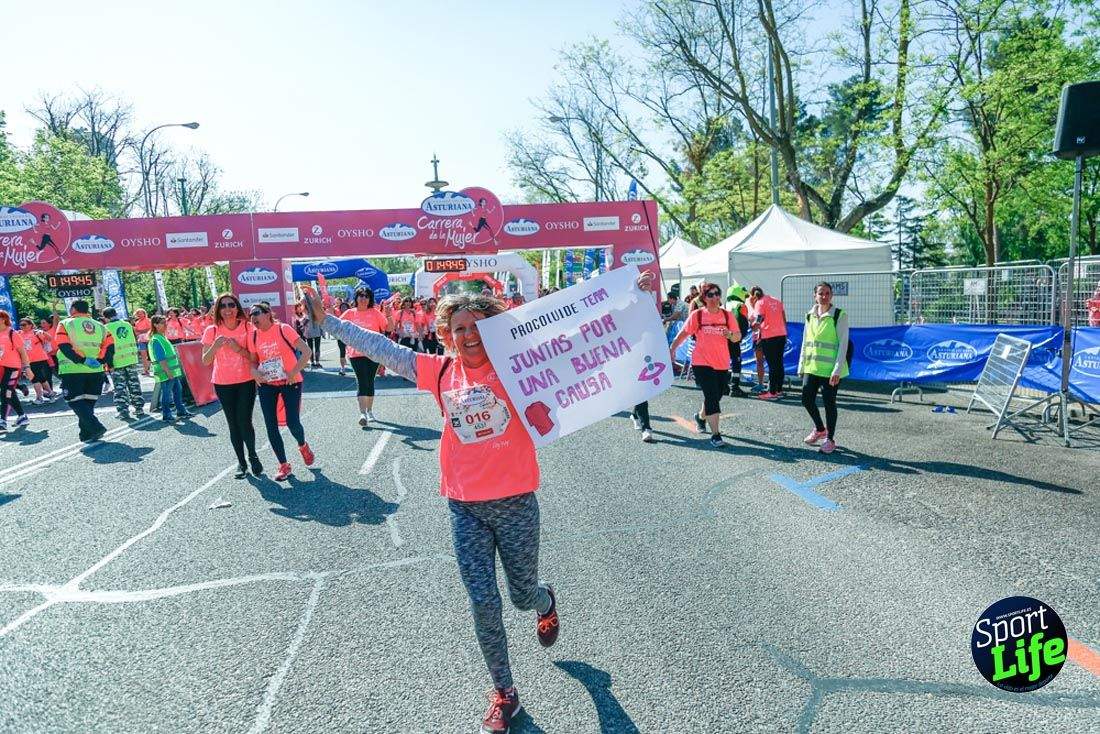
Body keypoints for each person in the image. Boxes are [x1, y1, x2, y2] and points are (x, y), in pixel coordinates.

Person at [305, 283, 561, 734]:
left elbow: (579, 338)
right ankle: (505, 692)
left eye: (476, 326)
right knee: (483, 603)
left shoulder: (518, 366)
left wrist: (633, 299)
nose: (468, 335)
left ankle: (544, 600)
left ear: (494, 328)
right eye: (459, 328)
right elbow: (382, 348)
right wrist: (330, 323)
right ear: (447, 334)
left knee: (521, 596)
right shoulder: (440, 371)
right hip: (465, 507)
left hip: (516, 502)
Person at [246, 302, 314, 482]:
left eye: (256, 313)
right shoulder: (253, 335)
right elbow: (253, 360)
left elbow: (306, 351)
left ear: (268, 314)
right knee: (270, 424)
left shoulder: (283, 329)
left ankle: (303, 445)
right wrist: (254, 371)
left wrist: (293, 371)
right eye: (250, 315)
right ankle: (283, 465)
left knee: (293, 422)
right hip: (267, 384)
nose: (253, 317)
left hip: (290, 381)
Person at [669, 283, 739, 448]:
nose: (714, 297)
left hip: (721, 362)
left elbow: (737, 337)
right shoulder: (698, 315)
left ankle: (700, 417)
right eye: (710, 295)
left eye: (717, 294)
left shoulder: (727, 315)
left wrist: (729, 334)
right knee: (712, 396)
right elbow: (684, 333)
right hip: (701, 362)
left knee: (717, 394)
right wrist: (672, 348)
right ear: (704, 298)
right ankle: (716, 435)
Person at [202, 293, 262, 479]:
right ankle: (241, 463)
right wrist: (215, 346)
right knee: (233, 424)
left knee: (245, 421)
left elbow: (255, 357)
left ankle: (253, 455)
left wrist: (239, 349)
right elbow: (205, 360)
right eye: (223, 306)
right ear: (217, 310)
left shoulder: (247, 327)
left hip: (246, 381)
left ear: (237, 307)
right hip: (222, 383)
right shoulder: (211, 330)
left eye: (231, 305)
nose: (227, 309)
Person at [799, 282, 849, 454]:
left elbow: (843, 344)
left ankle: (830, 439)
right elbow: (806, 341)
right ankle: (820, 429)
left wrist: (837, 369)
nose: (824, 296)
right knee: (806, 399)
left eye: (827, 293)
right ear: (815, 296)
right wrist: (801, 365)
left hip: (830, 370)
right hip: (812, 367)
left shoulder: (839, 315)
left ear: (831, 295)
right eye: (821, 293)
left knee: (829, 404)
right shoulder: (809, 315)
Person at [54, 300, 114, 441]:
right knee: (88, 401)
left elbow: (63, 345)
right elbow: (110, 347)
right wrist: (101, 361)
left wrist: (81, 360)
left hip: (72, 369)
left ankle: (96, 427)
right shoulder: (100, 326)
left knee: (74, 400)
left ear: (73, 309)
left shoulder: (65, 323)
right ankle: (86, 433)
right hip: (95, 370)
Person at [339, 287, 391, 426]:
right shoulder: (349, 313)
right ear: (356, 298)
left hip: (374, 353)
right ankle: (362, 413)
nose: (363, 298)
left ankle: (369, 410)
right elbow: (338, 328)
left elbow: (389, 328)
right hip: (356, 354)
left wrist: (389, 315)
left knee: (370, 381)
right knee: (362, 381)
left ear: (370, 299)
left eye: (366, 296)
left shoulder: (375, 312)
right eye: (361, 296)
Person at [102, 308, 146, 420]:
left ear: (106, 318)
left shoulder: (106, 328)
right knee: (134, 385)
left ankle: (123, 411)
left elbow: (108, 348)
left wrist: (109, 365)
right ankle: (139, 408)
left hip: (117, 362)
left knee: (120, 388)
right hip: (131, 359)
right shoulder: (127, 325)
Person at [748, 286, 788, 400]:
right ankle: (779, 390)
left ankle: (772, 392)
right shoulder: (777, 301)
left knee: (772, 365)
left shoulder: (760, 303)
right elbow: (784, 319)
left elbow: (759, 319)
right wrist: (784, 333)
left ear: (753, 296)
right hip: (781, 335)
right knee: (779, 363)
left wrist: (753, 326)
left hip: (769, 336)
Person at [148, 316, 191, 423]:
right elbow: (161, 359)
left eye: (165, 322)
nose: (165, 325)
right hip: (166, 372)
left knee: (177, 390)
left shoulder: (161, 337)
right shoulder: (156, 339)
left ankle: (181, 410)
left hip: (171, 372)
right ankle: (167, 414)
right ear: (155, 325)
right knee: (167, 394)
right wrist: (168, 372)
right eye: (162, 323)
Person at [0, 311, 33, 431]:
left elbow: (23, 352)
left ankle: (2, 420)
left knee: (5, 391)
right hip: (1, 368)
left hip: (13, 367)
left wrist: (27, 368)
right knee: (9, 391)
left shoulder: (12, 333)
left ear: (3, 319)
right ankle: (22, 416)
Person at [19, 318, 57, 404]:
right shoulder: (19, 333)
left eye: (24, 325)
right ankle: (49, 394)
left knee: (35, 378)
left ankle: (40, 398)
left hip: (39, 359)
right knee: (40, 378)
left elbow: (50, 339)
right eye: (21, 325)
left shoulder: (36, 332)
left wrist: (43, 332)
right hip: (28, 360)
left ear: (30, 325)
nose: (22, 327)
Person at [725, 283, 752, 397]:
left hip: (723, 337)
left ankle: (723, 386)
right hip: (734, 337)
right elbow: (743, 323)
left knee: (724, 362)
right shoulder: (741, 306)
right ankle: (734, 387)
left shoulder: (724, 305)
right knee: (736, 361)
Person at [332, 298, 351, 375]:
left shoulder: (352, 315)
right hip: (340, 336)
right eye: (342, 307)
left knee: (350, 352)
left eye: (345, 307)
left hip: (350, 336)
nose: (344, 308)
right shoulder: (338, 316)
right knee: (342, 351)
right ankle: (342, 368)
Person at [133, 309, 153, 376]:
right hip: (141, 340)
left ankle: (149, 368)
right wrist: (141, 331)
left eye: (141, 313)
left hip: (149, 339)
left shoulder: (148, 320)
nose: (139, 315)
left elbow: (150, 329)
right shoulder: (137, 322)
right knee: (143, 356)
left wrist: (140, 331)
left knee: (151, 355)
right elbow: (136, 332)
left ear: (144, 314)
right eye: (138, 314)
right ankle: (146, 370)